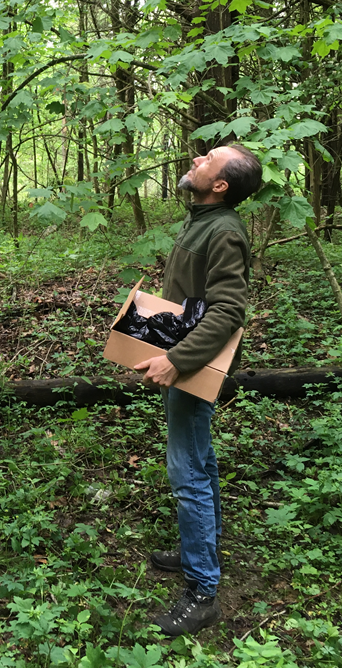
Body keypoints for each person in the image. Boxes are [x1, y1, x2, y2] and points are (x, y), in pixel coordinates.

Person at [134, 144, 262, 636]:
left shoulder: (225, 230)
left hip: (194, 366)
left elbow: (229, 310)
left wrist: (175, 359)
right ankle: (196, 550)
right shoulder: (201, 219)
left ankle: (202, 590)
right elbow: (194, 299)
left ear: (222, 185)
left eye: (207, 160)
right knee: (200, 460)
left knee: (187, 469)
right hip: (186, 356)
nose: (195, 160)